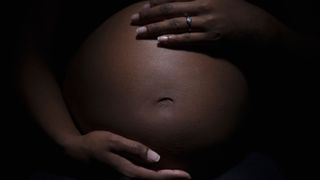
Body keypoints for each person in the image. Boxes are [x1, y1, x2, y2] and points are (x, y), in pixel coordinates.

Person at [15, 0, 317, 179]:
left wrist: (265, 27)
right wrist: (68, 143)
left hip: (238, 163)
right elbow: (25, 50)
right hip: (92, 164)